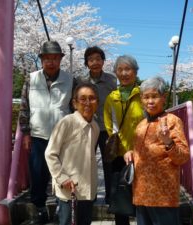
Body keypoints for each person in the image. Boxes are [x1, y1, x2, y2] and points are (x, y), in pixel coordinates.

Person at [19, 40, 73, 223]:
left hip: (62, 136)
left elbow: (75, 108)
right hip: (38, 134)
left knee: (61, 173)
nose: (51, 61)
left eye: (55, 58)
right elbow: (24, 107)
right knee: (38, 173)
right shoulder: (31, 78)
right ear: (41, 59)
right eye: (47, 58)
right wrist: (25, 132)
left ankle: (61, 207)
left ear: (60, 59)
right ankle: (40, 208)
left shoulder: (70, 79)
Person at [124, 76, 190, 225]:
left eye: (154, 96)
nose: (150, 101)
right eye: (146, 97)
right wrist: (131, 154)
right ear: (141, 99)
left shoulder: (172, 121)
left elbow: (183, 156)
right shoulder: (141, 125)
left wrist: (168, 141)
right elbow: (144, 153)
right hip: (141, 194)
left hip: (163, 196)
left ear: (164, 98)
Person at [45, 83, 100, 225]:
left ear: (97, 103)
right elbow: (50, 154)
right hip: (69, 190)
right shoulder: (66, 123)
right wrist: (62, 178)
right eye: (83, 99)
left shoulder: (95, 127)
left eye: (92, 98)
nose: (88, 103)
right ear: (74, 103)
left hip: (88, 191)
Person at [104, 55, 144, 225]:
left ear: (135, 72)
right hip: (120, 154)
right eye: (120, 70)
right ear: (116, 73)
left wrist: (138, 148)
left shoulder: (144, 94)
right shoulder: (112, 97)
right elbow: (108, 125)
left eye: (128, 69)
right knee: (120, 194)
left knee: (142, 192)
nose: (124, 73)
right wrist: (121, 146)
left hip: (143, 153)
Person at [76, 46, 117, 203]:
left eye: (98, 59)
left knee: (109, 162)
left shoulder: (112, 80)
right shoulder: (80, 81)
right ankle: (89, 195)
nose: (95, 62)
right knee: (87, 161)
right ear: (86, 63)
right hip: (87, 127)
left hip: (106, 128)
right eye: (91, 60)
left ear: (103, 61)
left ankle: (110, 196)